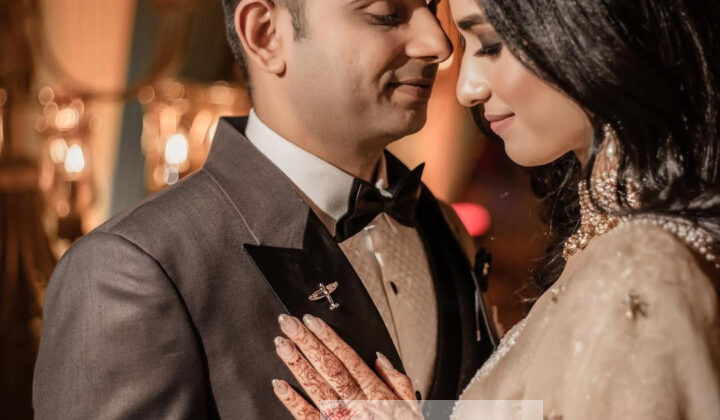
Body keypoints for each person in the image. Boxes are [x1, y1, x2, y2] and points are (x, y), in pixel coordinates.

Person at [32, 0, 498, 418]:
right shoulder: (132, 270)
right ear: (265, 34)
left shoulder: (443, 225)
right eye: (387, 14)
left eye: (432, 6)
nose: (439, 44)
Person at [270, 0, 720, 418]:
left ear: (593, 22)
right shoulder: (607, 246)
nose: (466, 89)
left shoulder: (642, 266)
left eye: (489, 44)